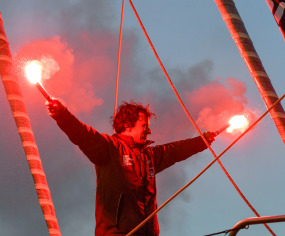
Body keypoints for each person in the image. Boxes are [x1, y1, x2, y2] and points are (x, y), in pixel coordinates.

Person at [46, 99, 216, 236]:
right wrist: (62, 115)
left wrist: (203, 140)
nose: (149, 131)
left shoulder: (149, 157)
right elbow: (83, 134)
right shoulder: (109, 148)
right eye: (145, 126)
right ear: (128, 126)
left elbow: (175, 151)